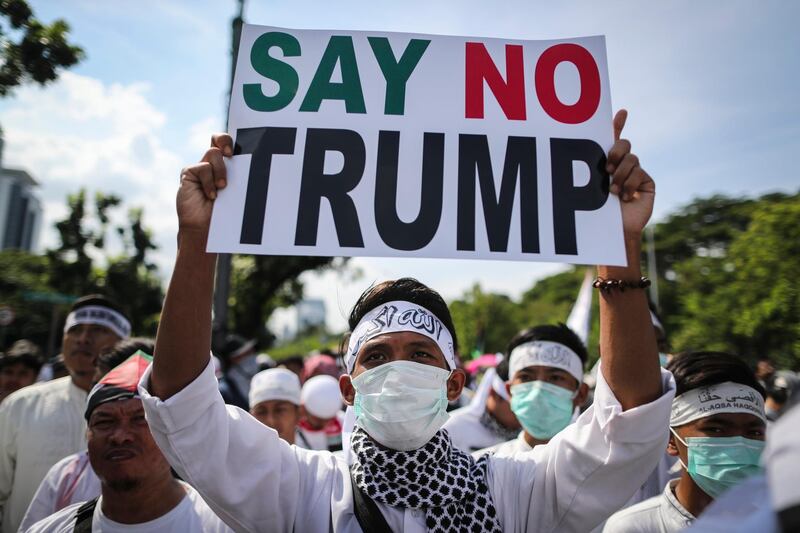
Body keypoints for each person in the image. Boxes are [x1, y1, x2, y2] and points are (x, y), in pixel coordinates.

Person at [136, 111, 680, 532]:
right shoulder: (300, 488)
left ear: (455, 382)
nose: (397, 369)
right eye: (376, 355)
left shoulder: (516, 490)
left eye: (420, 354)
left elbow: (627, 424)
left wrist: (619, 245)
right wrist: (198, 244)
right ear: (348, 387)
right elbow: (185, 408)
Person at [25, 350, 231, 532]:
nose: (120, 436)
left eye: (140, 420)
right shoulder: (53, 528)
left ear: (171, 435)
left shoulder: (222, 525)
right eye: (105, 422)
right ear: (87, 435)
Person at [0, 295, 129, 533]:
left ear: (122, 342)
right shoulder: (20, 405)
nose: (83, 339)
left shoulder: (143, 413)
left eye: (98, 330)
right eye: (75, 330)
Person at [603, 351, 767, 532]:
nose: (739, 444)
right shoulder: (635, 527)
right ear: (670, 439)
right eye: (716, 429)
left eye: (753, 432)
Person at [18, 338, 155, 531]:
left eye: (139, 418)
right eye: (96, 385)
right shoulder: (67, 474)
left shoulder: (200, 490)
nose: (120, 435)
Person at [476, 324, 589, 457]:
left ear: (581, 394)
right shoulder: (483, 469)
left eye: (555, 377)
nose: (538, 391)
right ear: (510, 391)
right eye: (526, 377)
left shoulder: (603, 470)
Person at [443, 357, 520, 452]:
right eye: (518, 405)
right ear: (493, 394)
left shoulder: (526, 439)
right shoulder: (451, 428)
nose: (524, 412)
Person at [248, 368, 303, 445]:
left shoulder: (318, 454)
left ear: (298, 413)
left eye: (279, 410)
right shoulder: (237, 456)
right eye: (261, 412)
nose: (271, 421)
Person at [297, 375, 345, 451]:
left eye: (329, 419)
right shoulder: (293, 429)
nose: (325, 424)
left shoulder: (343, 421)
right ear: (303, 409)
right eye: (319, 420)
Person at [215, 334, 259, 410]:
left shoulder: (258, 381)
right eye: (244, 354)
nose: (250, 357)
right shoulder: (222, 393)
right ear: (232, 360)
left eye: (250, 352)